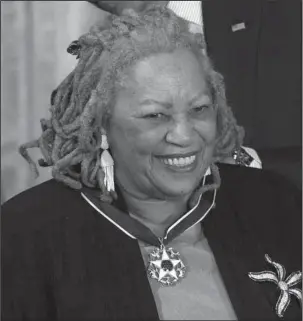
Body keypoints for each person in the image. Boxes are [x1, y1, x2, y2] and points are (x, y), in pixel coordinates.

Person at [1, 5, 301, 321]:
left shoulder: (277, 204)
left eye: (200, 109)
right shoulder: (24, 236)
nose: (184, 136)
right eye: (155, 115)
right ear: (101, 124)